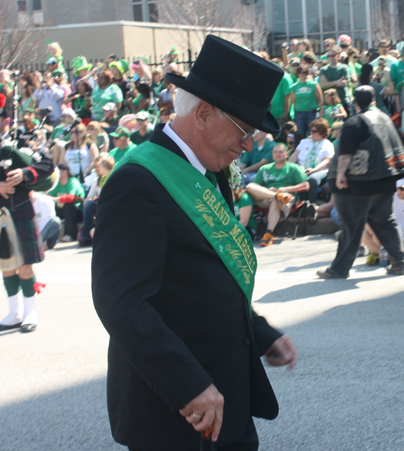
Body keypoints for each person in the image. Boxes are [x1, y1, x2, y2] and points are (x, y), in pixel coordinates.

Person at [92, 35, 297, 451]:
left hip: (225, 398)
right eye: (245, 130)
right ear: (203, 114)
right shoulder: (138, 181)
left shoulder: (209, 168)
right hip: (176, 411)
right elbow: (122, 302)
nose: (249, 145)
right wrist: (187, 385)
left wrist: (258, 332)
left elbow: (206, 275)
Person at [0, 95, 54, 333]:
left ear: (6, 120)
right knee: (6, 265)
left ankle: (30, 312)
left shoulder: (25, 141)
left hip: (21, 208)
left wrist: (25, 173)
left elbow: (47, 165)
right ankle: (13, 313)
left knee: (25, 266)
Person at [317, 86, 404, 278]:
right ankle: (400, 261)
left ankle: (339, 269)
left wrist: (340, 175)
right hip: (385, 181)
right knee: (385, 222)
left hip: (358, 184)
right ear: (373, 99)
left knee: (350, 226)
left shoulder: (355, 121)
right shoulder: (385, 117)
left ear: (355, 103)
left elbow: (346, 151)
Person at [245, 143, 310, 247]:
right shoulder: (265, 168)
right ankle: (275, 195)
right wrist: (268, 191)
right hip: (267, 196)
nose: (278, 154)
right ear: (272, 154)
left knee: (274, 201)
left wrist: (286, 189)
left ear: (287, 154)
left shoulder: (294, 168)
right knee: (249, 186)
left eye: (281, 152)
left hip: (287, 198)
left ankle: (269, 233)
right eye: (275, 152)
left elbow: (306, 185)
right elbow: (255, 186)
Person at [289, 118, 334, 202]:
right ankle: (299, 204)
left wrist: (314, 170)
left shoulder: (328, 144)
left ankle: (310, 204)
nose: (310, 133)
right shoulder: (304, 142)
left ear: (322, 132)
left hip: (319, 171)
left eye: (314, 131)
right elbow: (294, 156)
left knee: (312, 179)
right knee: (297, 176)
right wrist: (286, 168)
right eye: (311, 130)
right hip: (301, 169)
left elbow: (327, 161)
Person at [79, 155, 114, 247]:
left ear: (104, 167)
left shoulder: (113, 178)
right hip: (101, 203)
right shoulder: (99, 180)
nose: (97, 169)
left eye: (99, 166)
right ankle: (86, 237)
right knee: (88, 205)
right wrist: (88, 200)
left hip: (111, 204)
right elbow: (90, 196)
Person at [48, 163, 85, 243]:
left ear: (64, 172)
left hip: (78, 211)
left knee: (68, 204)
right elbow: (48, 196)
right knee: (50, 206)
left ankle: (70, 234)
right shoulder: (57, 183)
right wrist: (54, 199)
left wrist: (55, 199)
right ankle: (49, 236)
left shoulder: (73, 181)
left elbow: (71, 198)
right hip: (63, 211)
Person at [291, 63, 323, 137]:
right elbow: (294, 102)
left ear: (307, 73)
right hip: (299, 114)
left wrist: (321, 116)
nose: (302, 74)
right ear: (297, 73)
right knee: (299, 136)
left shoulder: (314, 84)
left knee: (313, 135)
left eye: (304, 72)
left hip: (312, 114)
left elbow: (320, 102)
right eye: (300, 72)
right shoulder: (294, 87)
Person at [318, 46, 351, 117]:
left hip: (342, 102)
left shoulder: (344, 68)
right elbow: (322, 85)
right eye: (328, 56)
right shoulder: (324, 69)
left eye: (332, 56)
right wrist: (336, 82)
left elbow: (343, 83)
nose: (330, 58)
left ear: (338, 55)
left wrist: (328, 83)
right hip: (328, 104)